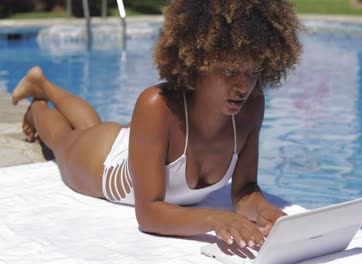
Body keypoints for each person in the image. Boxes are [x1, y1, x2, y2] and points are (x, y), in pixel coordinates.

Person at [11, 0, 302, 249]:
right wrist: (217, 219)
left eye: (252, 71)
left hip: (141, 143)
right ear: (198, 62)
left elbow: (245, 190)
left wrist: (265, 211)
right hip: (108, 166)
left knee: (91, 125)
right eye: (230, 71)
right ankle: (38, 103)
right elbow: (148, 213)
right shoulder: (156, 104)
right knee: (63, 141)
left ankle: (42, 83)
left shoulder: (251, 107)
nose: (244, 86)